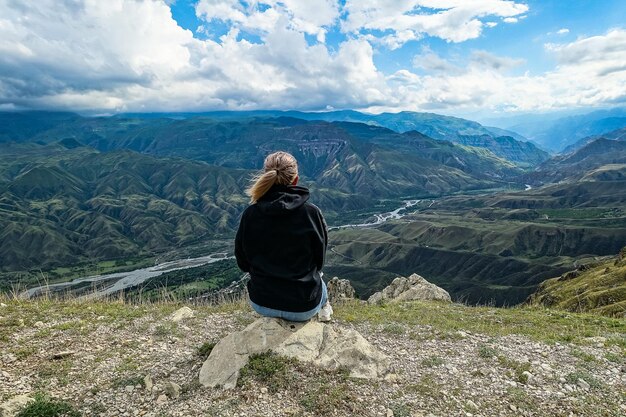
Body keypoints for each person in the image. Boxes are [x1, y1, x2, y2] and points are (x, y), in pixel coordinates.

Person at [234, 151, 333, 322]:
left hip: (262, 303)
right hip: (303, 307)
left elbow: (243, 261)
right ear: (295, 179)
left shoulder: (251, 214)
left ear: (267, 176)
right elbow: (319, 261)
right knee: (321, 280)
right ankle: (325, 310)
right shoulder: (311, 213)